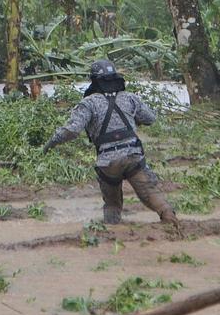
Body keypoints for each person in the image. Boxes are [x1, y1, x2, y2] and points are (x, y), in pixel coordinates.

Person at [43, 59, 180, 227]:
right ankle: (172, 222)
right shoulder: (130, 98)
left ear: (94, 80)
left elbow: (71, 130)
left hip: (108, 162)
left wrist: (50, 144)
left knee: (112, 203)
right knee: (151, 193)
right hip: (134, 156)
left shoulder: (89, 103)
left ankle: (113, 233)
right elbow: (150, 118)